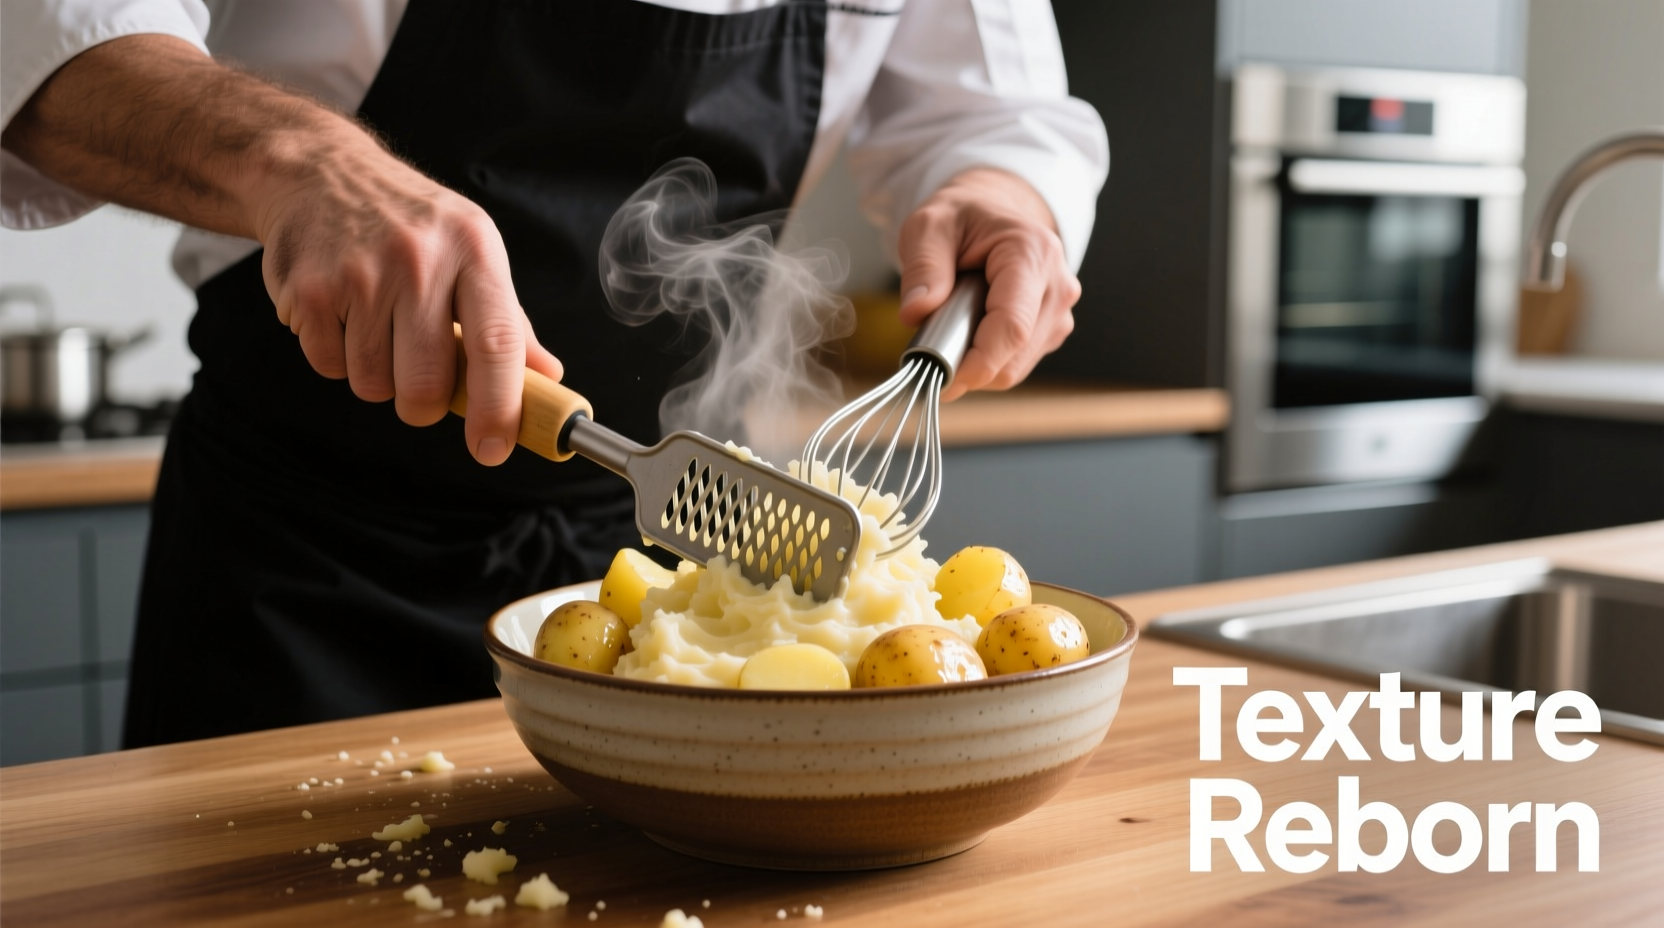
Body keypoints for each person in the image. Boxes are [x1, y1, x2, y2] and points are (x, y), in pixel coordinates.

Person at [0, 0, 1108, 746]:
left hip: (662, 572)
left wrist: (1008, 197)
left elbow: (993, 111)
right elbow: (43, 34)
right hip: (304, 564)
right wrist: (299, 162)